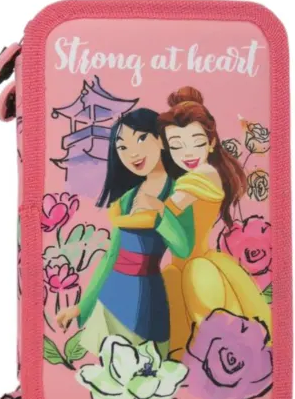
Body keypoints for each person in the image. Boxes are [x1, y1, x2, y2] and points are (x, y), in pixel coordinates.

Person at [137, 87, 272, 359]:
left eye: (196, 142)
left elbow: (170, 208)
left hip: (198, 263)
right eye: (177, 146)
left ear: (211, 143)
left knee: (207, 321)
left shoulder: (202, 175)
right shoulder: (186, 178)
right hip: (178, 264)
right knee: (177, 323)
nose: (187, 152)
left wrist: (150, 202)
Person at [56, 108, 194, 358]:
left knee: (146, 367)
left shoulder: (180, 190)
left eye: (140, 138)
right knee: (109, 370)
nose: (132, 153)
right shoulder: (127, 198)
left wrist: (161, 210)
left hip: (146, 297)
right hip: (111, 296)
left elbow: (183, 248)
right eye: (122, 147)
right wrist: (81, 306)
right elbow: (111, 257)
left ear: (161, 139)